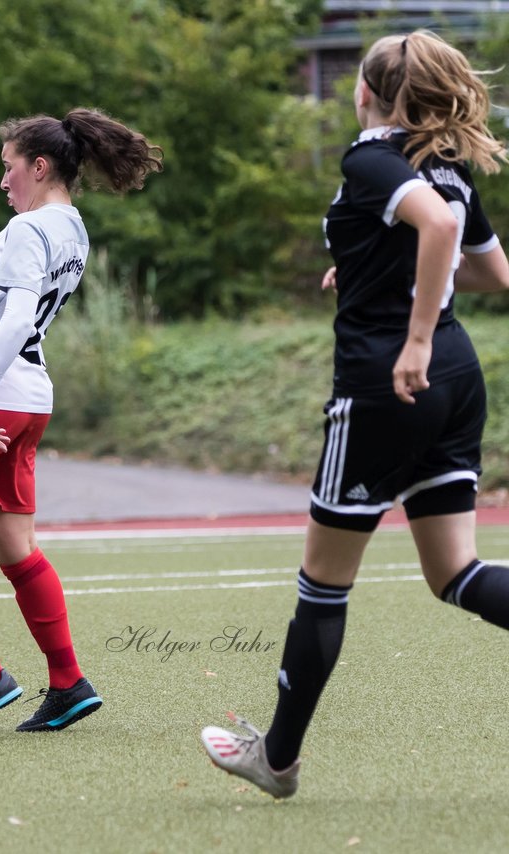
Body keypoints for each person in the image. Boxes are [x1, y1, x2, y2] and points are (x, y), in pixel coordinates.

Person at [201, 30, 509, 798]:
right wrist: (380, 276)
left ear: (364, 91)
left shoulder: (374, 159)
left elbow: (438, 231)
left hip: (387, 387)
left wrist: (409, 337)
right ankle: (275, 755)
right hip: (458, 377)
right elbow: (492, 273)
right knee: (455, 573)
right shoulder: (449, 166)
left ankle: (275, 759)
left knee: (322, 585)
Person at [0, 108, 163, 736]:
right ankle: (68, 683)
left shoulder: (28, 230)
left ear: (38, 166)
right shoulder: (70, 227)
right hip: (30, 398)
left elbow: (16, 317)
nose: (3, 180)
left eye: (9, 167)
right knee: (16, 549)